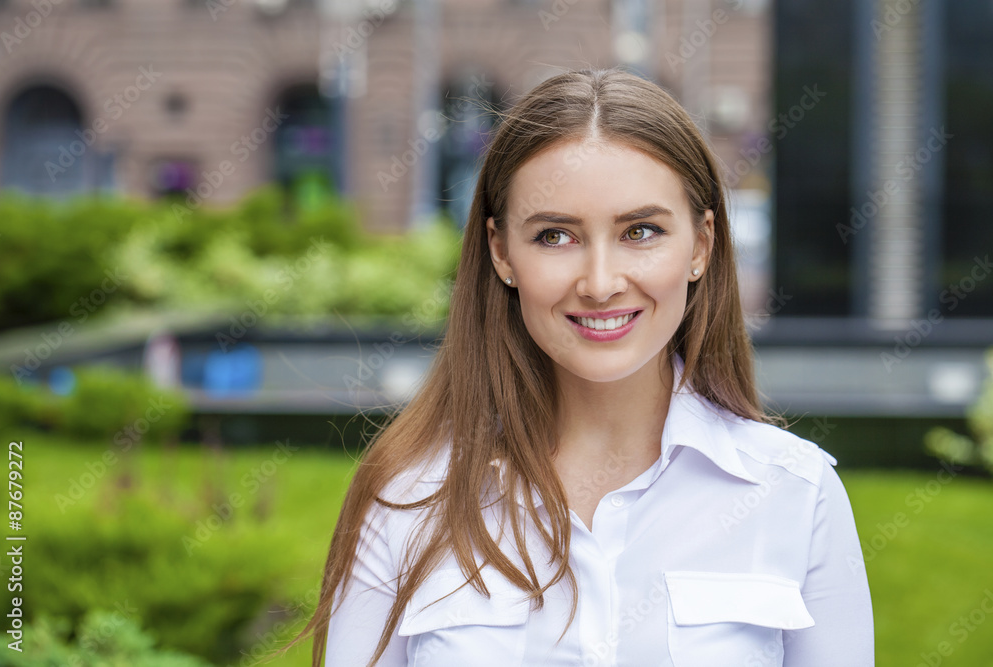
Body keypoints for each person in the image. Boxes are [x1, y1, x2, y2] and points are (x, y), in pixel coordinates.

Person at [281, 66, 874, 666]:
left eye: (640, 231)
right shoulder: (409, 499)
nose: (599, 283)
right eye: (555, 237)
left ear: (700, 245)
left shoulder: (794, 494)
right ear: (500, 250)